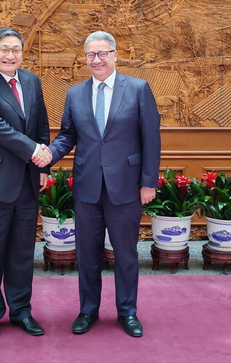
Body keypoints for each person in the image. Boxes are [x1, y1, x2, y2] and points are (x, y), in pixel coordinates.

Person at [34, 30, 161, 337]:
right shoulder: (75, 93)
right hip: (88, 188)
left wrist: (148, 183)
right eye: (91, 54)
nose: (97, 60)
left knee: (126, 255)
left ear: (115, 55)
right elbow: (68, 135)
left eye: (103, 53)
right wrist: (47, 156)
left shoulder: (138, 89)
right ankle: (88, 310)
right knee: (87, 255)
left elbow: (151, 139)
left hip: (126, 187)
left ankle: (127, 312)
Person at [0, 27, 51, 342]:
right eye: (4, 48)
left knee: (21, 252)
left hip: (28, 182)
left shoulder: (31, 81)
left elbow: (41, 124)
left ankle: (21, 311)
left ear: (22, 53)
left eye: (16, 49)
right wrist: (33, 151)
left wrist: (44, 164)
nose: (10, 55)